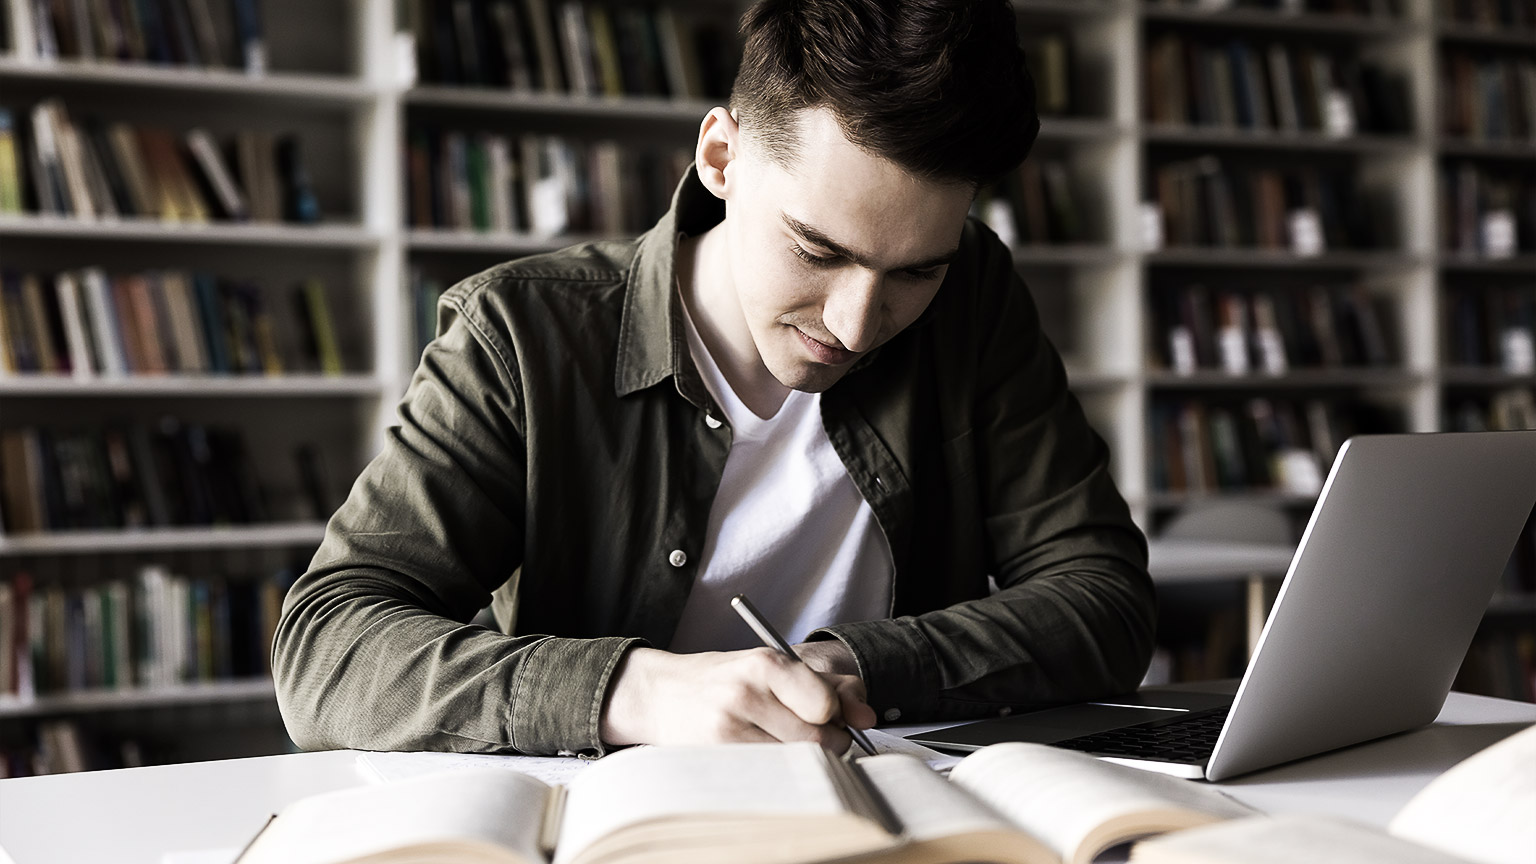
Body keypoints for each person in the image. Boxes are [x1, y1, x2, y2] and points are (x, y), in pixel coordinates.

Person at [273, 0, 1155, 758]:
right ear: (721, 158)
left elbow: (1104, 599)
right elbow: (328, 645)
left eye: (915, 271)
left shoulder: (974, 294)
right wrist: (639, 693)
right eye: (817, 250)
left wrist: (861, 665)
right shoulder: (520, 335)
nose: (854, 325)